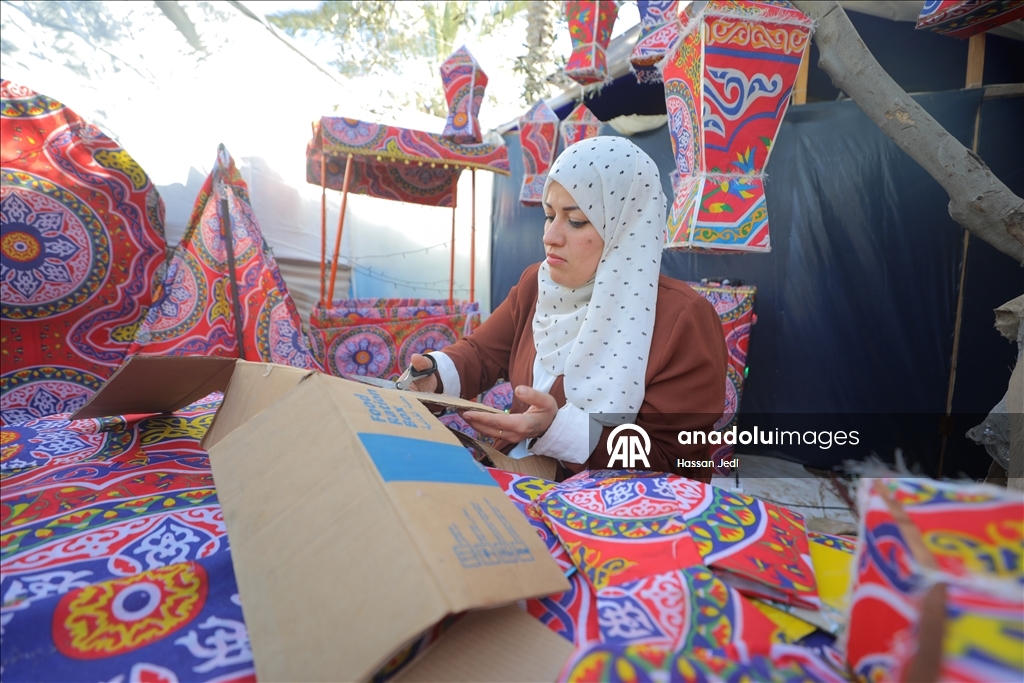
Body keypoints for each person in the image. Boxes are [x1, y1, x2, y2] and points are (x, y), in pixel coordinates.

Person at [406, 137, 727, 482]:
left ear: (625, 227)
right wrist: (435, 375)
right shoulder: (537, 284)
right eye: (549, 216)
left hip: (607, 505)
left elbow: (678, 461)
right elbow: (481, 353)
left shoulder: (683, 319)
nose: (550, 236)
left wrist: (560, 431)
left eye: (575, 221)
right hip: (512, 476)